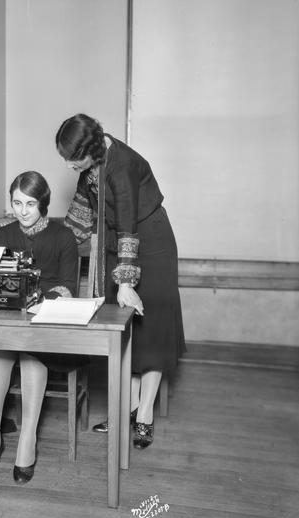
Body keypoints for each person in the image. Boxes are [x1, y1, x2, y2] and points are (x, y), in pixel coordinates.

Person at [55, 114, 185, 449]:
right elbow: (81, 216)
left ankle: (144, 416)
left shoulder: (121, 166)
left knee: (151, 329)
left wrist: (126, 282)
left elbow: (129, 226)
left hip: (151, 243)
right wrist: (53, 244)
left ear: (92, 149)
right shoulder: (92, 163)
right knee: (124, 329)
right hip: (118, 243)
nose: (70, 166)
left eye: (74, 160)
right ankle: (126, 407)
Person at [0, 170, 79, 483]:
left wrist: (36, 295)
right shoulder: (3, 235)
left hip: (46, 324)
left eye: (30, 204)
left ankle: (27, 441)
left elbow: (67, 288)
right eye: (17, 203)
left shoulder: (63, 237)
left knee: (32, 360)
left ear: (43, 203)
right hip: (9, 320)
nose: (22, 211)